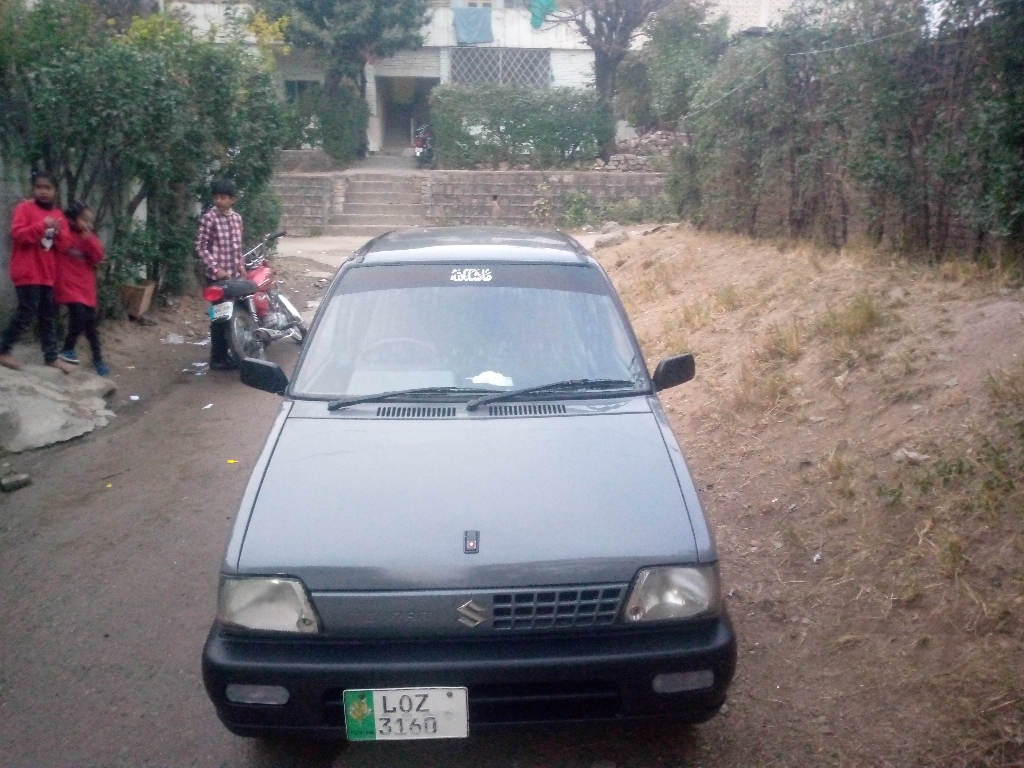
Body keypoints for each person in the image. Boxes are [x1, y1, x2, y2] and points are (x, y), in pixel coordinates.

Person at [0, 170, 74, 373]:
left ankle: (51, 357)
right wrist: (42, 225)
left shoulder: (58, 216)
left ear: (55, 191)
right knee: (26, 313)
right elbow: (18, 234)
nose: (43, 191)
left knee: (47, 316)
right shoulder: (24, 208)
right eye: (39, 187)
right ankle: (3, 350)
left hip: (47, 275)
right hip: (27, 272)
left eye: (47, 187)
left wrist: (58, 233)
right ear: (33, 189)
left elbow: (65, 246)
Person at [195, 178, 244, 370]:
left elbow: (237, 246)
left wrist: (241, 266)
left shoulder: (237, 218)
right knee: (219, 316)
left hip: (234, 275)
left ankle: (235, 351)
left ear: (232, 199)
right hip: (216, 277)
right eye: (216, 197)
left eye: (223, 197)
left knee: (235, 313)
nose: (218, 201)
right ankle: (218, 359)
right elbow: (200, 247)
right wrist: (216, 269)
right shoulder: (209, 218)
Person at [55, 201, 108, 376]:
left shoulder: (88, 237)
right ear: (72, 219)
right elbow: (61, 245)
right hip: (68, 284)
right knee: (79, 316)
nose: (87, 224)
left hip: (86, 286)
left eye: (89, 220)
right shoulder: (64, 233)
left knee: (90, 325)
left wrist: (89, 238)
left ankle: (98, 358)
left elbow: (98, 257)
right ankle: (67, 348)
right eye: (84, 219)